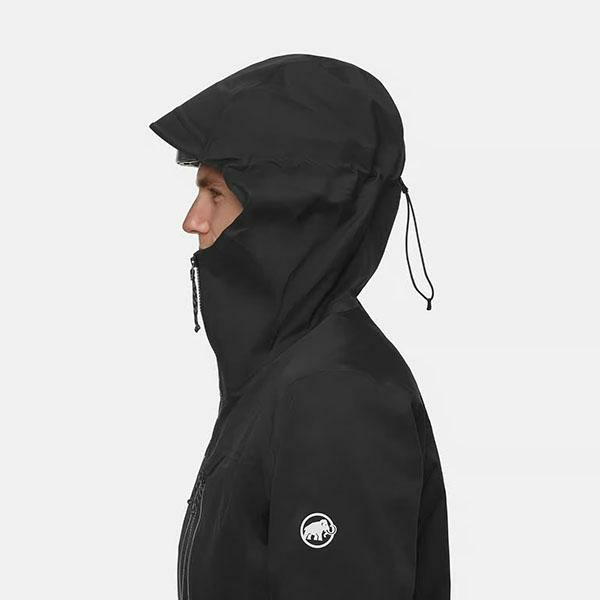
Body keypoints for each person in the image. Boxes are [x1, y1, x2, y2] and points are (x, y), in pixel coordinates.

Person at [149, 53, 450, 600]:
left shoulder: (335, 394)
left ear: (289, 211)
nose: (193, 220)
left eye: (216, 193)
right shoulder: (284, 373)